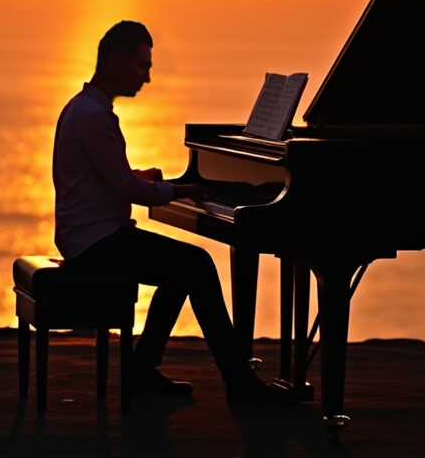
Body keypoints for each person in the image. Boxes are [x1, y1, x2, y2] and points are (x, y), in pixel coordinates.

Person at [51, 20, 294, 404]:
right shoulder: (96, 117)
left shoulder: (81, 108)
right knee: (195, 264)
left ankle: (142, 370)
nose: (146, 77)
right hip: (94, 242)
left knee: (182, 269)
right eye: (141, 65)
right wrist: (183, 189)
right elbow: (131, 191)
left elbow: (103, 178)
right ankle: (239, 382)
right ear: (114, 61)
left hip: (86, 234)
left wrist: (145, 178)